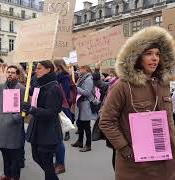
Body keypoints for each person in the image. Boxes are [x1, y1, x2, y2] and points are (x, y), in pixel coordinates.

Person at [99, 27, 175, 180]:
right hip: (135, 166)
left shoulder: (163, 84)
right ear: (137, 57)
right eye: (149, 54)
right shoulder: (122, 86)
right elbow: (106, 121)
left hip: (165, 163)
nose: (155, 58)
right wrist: (124, 148)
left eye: (158, 54)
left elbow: (169, 121)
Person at [23, 60, 63, 180]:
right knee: (37, 158)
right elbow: (34, 95)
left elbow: (52, 112)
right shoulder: (39, 84)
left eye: (39, 68)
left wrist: (31, 109)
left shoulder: (54, 88)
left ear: (48, 69)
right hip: (37, 128)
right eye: (36, 68)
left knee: (47, 162)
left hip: (48, 131)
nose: (36, 70)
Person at [71, 65, 98, 152]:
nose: (79, 70)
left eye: (81, 68)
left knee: (86, 125)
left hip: (86, 104)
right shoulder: (82, 78)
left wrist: (76, 88)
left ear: (86, 69)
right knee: (79, 123)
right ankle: (80, 141)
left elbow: (87, 93)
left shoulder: (89, 79)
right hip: (81, 103)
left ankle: (88, 144)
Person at [53, 59, 72, 174]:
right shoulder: (57, 76)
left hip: (60, 108)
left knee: (58, 138)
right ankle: (58, 161)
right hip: (55, 107)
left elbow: (64, 93)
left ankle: (61, 164)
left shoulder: (64, 77)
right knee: (55, 137)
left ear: (57, 66)